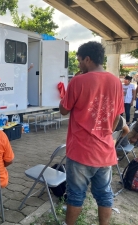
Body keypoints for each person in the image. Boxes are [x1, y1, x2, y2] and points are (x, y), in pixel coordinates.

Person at [59, 41, 124, 225]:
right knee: (104, 194)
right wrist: (105, 134)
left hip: (80, 151)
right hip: (105, 152)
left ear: (87, 59)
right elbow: (117, 117)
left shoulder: (78, 81)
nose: (78, 64)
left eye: (79, 60)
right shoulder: (116, 82)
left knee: (75, 195)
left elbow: (63, 110)